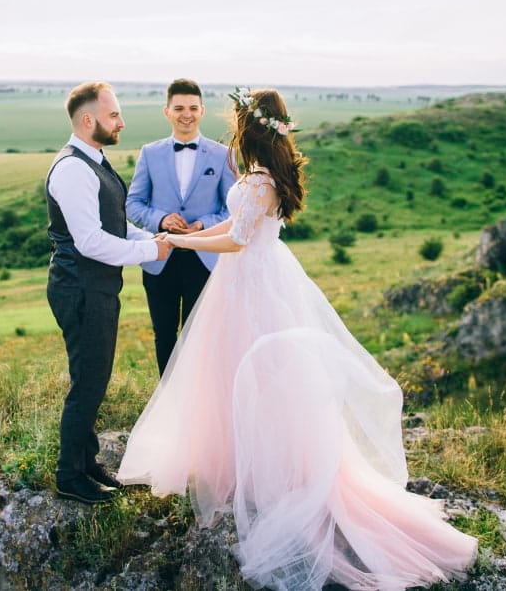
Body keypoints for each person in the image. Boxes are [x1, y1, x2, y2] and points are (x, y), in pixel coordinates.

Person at [117, 88, 478, 589]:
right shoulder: (259, 177)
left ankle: (276, 472)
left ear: (251, 129)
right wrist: (180, 238)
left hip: (253, 285)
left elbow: (237, 240)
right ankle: (236, 461)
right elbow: (228, 225)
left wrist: (180, 240)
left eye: (238, 122)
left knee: (260, 378)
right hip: (245, 280)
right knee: (230, 375)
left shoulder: (261, 181)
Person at [45, 81, 171, 505]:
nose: (121, 121)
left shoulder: (94, 161)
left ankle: (87, 462)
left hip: (95, 287)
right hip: (80, 288)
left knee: (94, 377)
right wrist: (148, 251)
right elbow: (90, 242)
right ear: (88, 120)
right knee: (88, 381)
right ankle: (68, 475)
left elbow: (114, 226)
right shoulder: (72, 169)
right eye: (113, 114)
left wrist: (155, 237)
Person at [126, 78, 236, 375]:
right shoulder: (150, 153)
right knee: (164, 335)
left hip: (205, 258)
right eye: (179, 108)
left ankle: (196, 403)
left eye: (192, 108)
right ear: (167, 112)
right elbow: (133, 203)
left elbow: (232, 209)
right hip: (160, 257)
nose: (185, 114)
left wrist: (204, 224)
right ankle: (167, 400)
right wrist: (161, 219)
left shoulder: (222, 154)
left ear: (202, 111)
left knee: (198, 336)